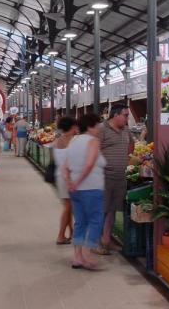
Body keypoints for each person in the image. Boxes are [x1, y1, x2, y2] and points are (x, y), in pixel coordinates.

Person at [62, 113, 105, 270]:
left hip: (75, 190)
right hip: (91, 187)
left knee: (80, 222)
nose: (100, 127)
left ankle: (77, 258)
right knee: (95, 221)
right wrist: (78, 181)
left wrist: (70, 182)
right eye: (98, 124)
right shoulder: (93, 141)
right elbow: (89, 164)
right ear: (91, 126)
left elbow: (64, 165)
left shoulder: (74, 140)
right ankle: (88, 257)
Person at [96, 103, 135, 255]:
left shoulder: (126, 130)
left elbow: (131, 144)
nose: (127, 118)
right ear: (115, 115)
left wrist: (125, 158)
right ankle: (95, 242)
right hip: (104, 177)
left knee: (112, 210)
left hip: (120, 177)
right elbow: (93, 150)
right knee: (102, 210)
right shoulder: (101, 129)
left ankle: (107, 240)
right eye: (125, 115)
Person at [52, 116, 78, 244]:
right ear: (72, 127)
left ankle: (71, 232)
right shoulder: (73, 141)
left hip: (60, 176)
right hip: (68, 177)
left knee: (68, 206)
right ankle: (61, 235)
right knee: (68, 207)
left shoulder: (58, 140)